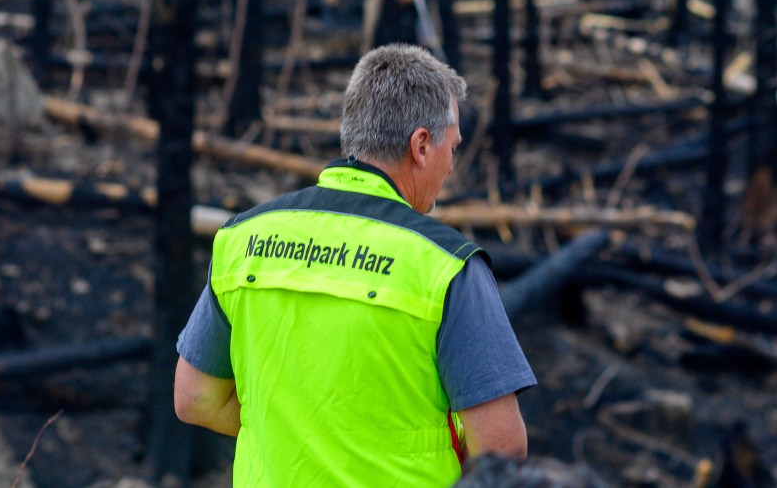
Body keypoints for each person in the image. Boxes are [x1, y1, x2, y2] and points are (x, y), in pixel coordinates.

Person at [175, 43, 536, 486]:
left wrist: (307, 434)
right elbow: (501, 449)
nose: (449, 169)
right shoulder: (446, 266)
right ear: (421, 146)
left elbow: (195, 398)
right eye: (452, 149)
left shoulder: (244, 238)